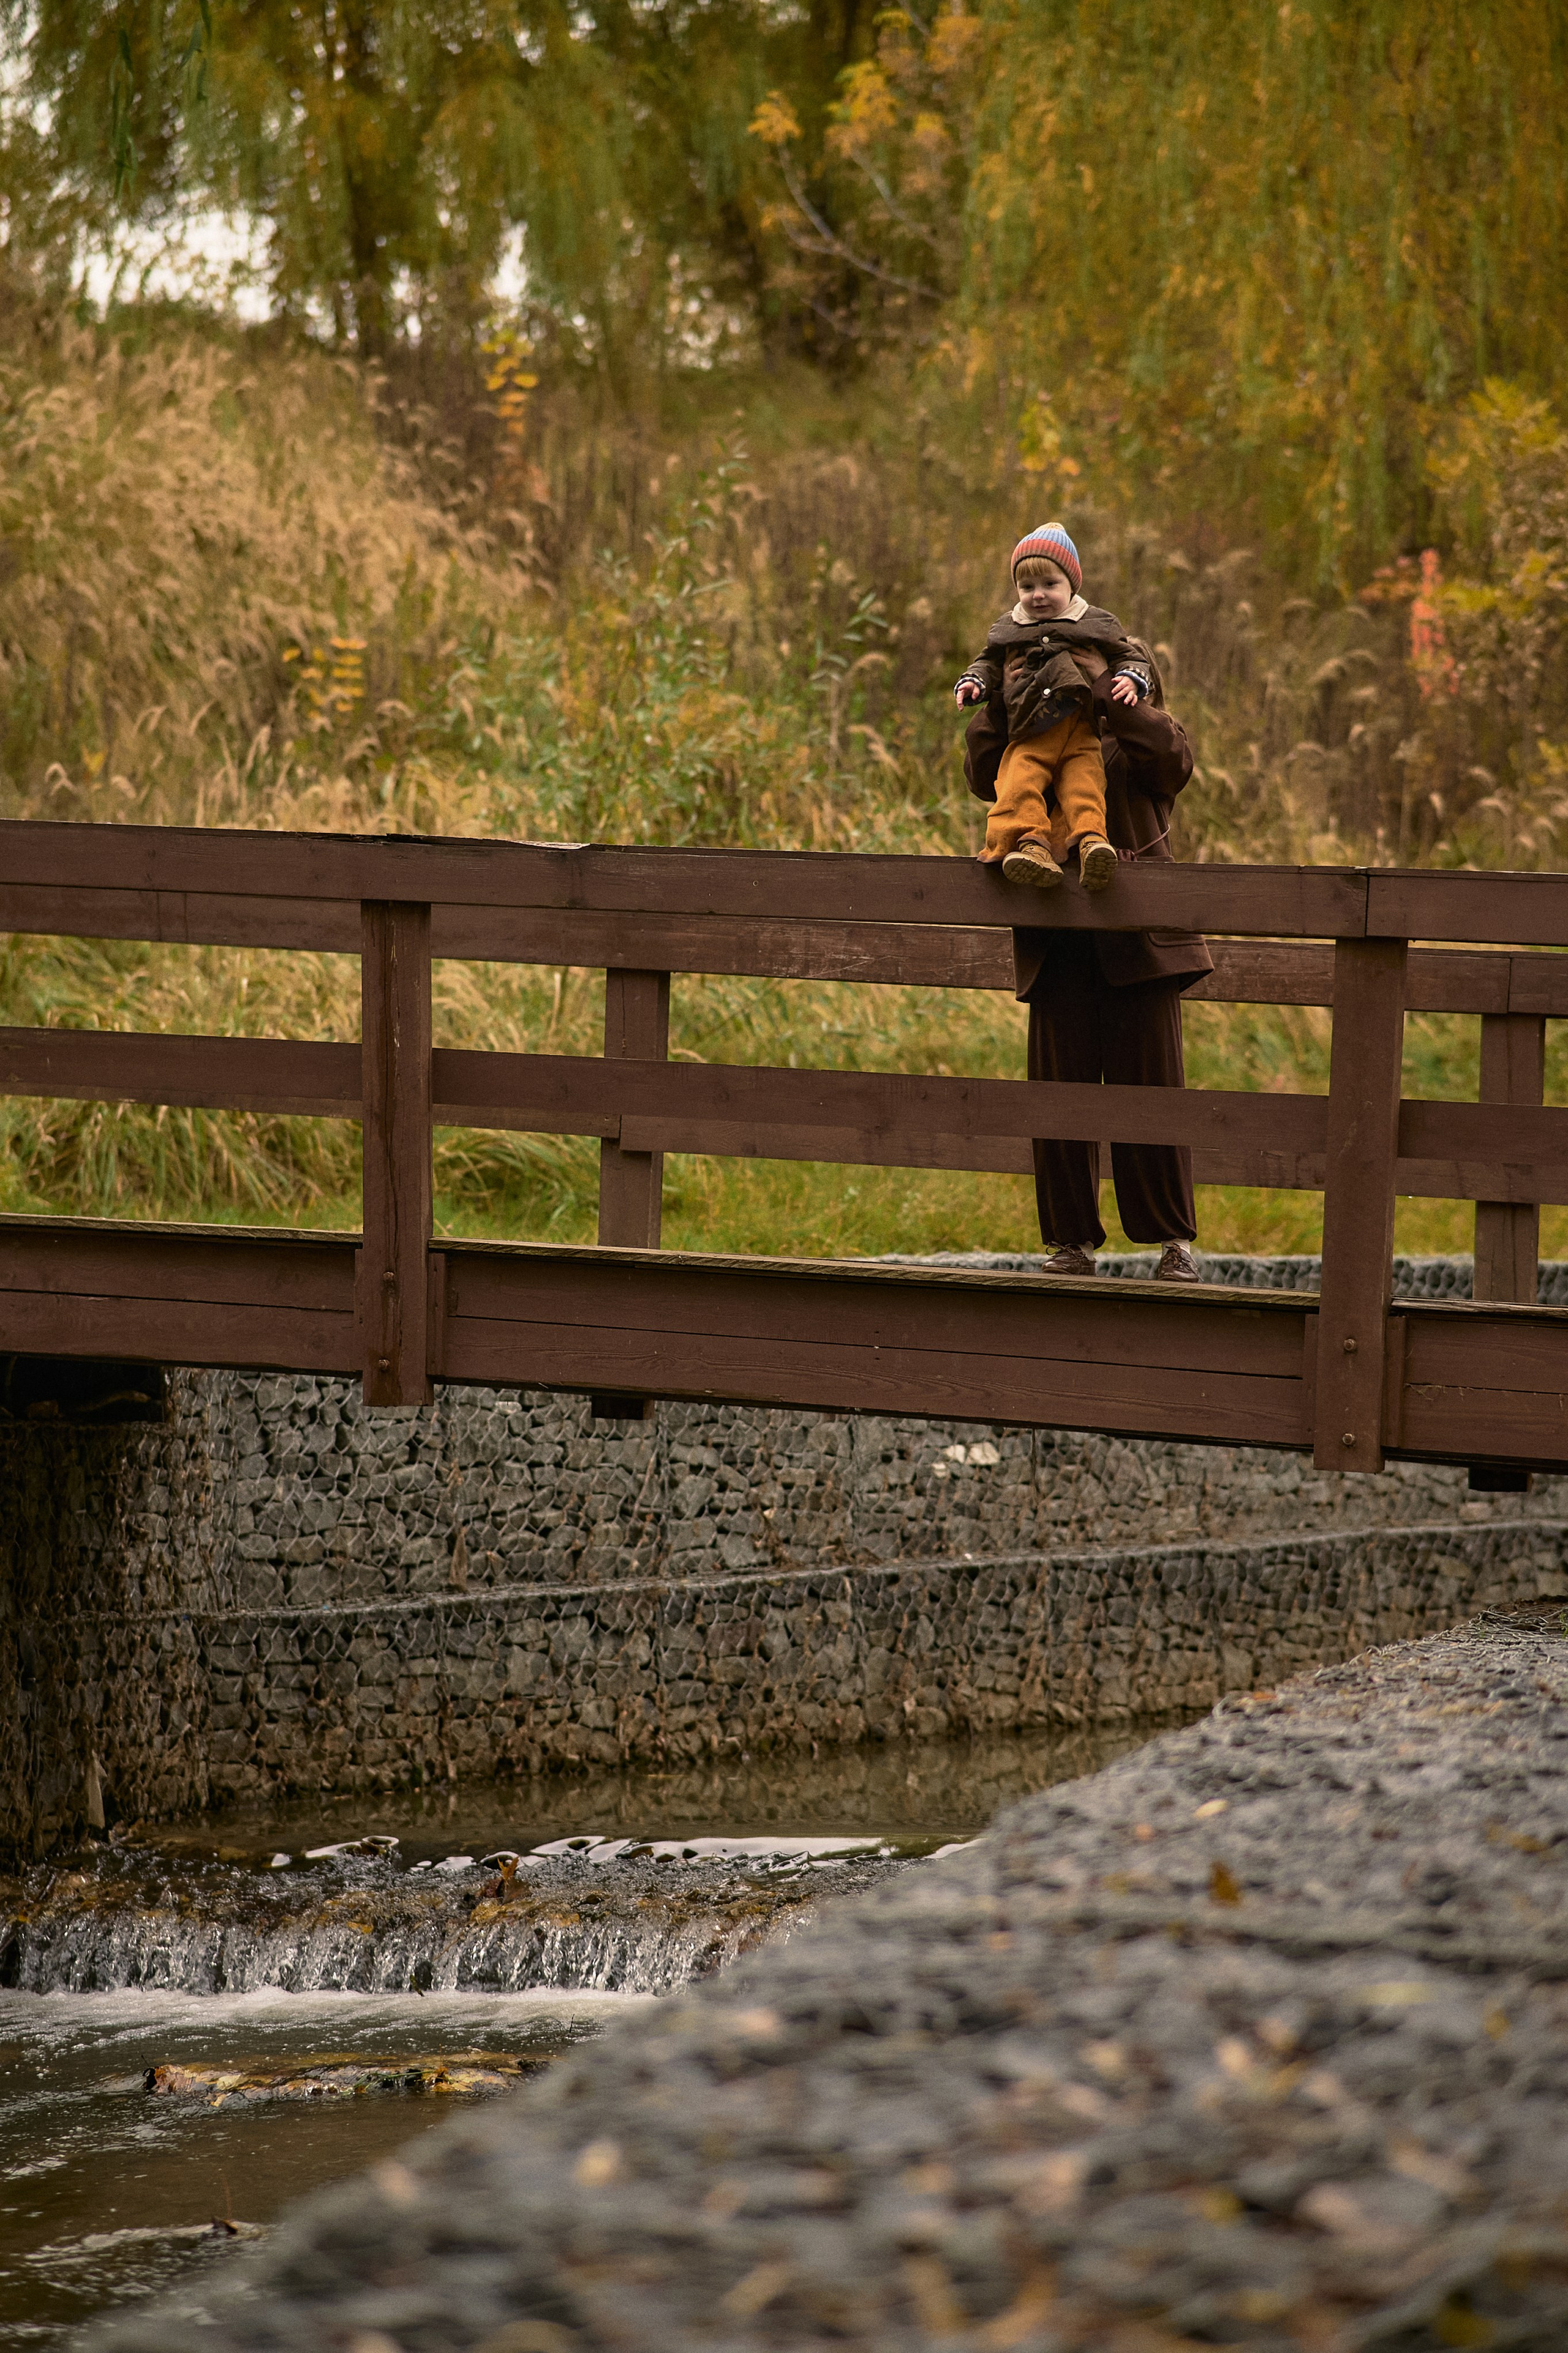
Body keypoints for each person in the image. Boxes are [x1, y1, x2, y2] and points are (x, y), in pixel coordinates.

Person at [962, 598, 1213, 1284]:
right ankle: (1069, 1242)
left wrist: (1113, 694)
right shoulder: (1034, 733)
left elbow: (1173, 763)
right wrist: (1008, 696)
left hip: (1142, 944)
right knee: (1058, 1100)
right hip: (1059, 943)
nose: (1070, 667)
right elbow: (983, 775)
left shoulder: (1143, 735)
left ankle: (1172, 1242)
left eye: (1086, 658)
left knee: (1152, 1097)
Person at [953, 522, 1156, 894]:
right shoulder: (1009, 630)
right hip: (1031, 729)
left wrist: (1129, 678)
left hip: (1081, 729)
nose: (1038, 596)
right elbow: (987, 662)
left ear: (1072, 585)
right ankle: (1030, 844)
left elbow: (1128, 655)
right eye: (1027, 587)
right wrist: (978, 683)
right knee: (1019, 783)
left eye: (1050, 584)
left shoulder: (1095, 624)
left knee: (1085, 784)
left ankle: (1092, 840)